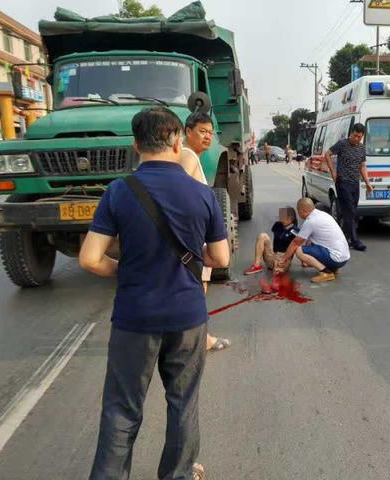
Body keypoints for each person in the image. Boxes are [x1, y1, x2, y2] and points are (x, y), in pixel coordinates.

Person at [80, 107, 230, 480]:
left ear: (136, 145)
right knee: (182, 404)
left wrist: (124, 269)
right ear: (179, 141)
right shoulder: (202, 194)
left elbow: (89, 258)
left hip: (134, 320)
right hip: (187, 319)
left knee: (122, 409)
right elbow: (220, 257)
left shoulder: (119, 191)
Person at [180, 110, 231, 352]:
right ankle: (202, 340)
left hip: (191, 240)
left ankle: (197, 338)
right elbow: (177, 197)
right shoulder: (187, 157)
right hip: (192, 242)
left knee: (196, 291)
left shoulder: (190, 157)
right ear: (187, 132)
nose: (208, 137)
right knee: (197, 293)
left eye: (210, 133)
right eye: (202, 132)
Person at [324, 123, 373, 252]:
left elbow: (362, 166)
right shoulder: (342, 144)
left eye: (360, 137)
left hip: (355, 183)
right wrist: (333, 171)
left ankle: (342, 239)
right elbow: (327, 154)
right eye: (355, 136)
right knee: (350, 211)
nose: (357, 139)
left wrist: (367, 182)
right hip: (343, 182)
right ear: (351, 133)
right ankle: (354, 240)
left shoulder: (362, 148)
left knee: (350, 212)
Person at [277, 198, 350, 283]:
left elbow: (295, 243)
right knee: (309, 246)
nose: (298, 213)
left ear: (303, 210)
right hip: (343, 257)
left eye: (298, 211)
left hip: (336, 258)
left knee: (299, 250)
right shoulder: (323, 215)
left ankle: (326, 272)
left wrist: (283, 259)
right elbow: (310, 242)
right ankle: (333, 268)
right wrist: (306, 261)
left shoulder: (310, 221)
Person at [244, 206, 299, 275]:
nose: (281, 218)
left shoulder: (295, 231)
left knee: (277, 274)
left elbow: (297, 246)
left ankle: (278, 269)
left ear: (291, 218)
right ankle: (256, 265)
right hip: (273, 255)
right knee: (263, 236)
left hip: (284, 259)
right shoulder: (277, 225)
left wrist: (303, 261)